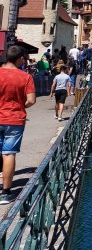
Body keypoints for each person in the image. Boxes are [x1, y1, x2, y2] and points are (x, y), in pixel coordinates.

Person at [0, 46, 36, 204]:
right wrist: (20, 105)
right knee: (8, 153)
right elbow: (31, 100)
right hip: (14, 119)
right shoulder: (25, 77)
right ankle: (5, 193)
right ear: (20, 58)